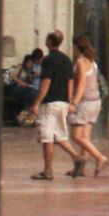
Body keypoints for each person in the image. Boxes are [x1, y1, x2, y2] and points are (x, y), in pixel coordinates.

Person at [29, 32, 80, 181]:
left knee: (47, 138)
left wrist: (36, 102)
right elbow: (71, 82)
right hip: (63, 102)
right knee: (59, 135)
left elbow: (46, 82)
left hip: (50, 102)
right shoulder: (67, 60)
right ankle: (76, 157)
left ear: (50, 42)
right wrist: (70, 100)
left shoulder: (48, 60)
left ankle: (48, 170)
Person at [65, 36, 109, 177]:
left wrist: (74, 103)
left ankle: (99, 157)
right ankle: (80, 169)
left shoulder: (80, 62)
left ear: (76, 47)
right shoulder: (92, 62)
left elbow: (82, 83)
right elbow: (95, 83)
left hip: (85, 102)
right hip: (95, 101)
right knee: (85, 136)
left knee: (76, 136)